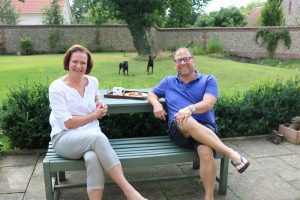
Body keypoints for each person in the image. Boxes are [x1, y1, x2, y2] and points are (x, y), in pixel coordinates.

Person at [147, 47, 250, 200]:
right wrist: (156, 104)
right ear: (175, 63)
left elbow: (208, 103)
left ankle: (209, 197)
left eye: (186, 59)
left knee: (205, 152)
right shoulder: (168, 81)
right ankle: (230, 153)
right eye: (179, 60)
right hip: (179, 130)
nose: (183, 63)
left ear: (193, 61)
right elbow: (151, 93)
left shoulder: (208, 80)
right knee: (184, 118)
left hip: (205, 129)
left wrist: (190, 108)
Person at [48, 44, 147, 200]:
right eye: (75, 61)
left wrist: (100, 104)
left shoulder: (92, 81)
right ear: (67, 63)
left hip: (91, 135)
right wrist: (94, 115)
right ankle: (129, 191)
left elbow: (95, 98)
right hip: (64, 138)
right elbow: (68, 123)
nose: (79, 66)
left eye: (83, 63)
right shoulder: (57, 87)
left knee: (93, 158)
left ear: (87, 66)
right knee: (99, 138)